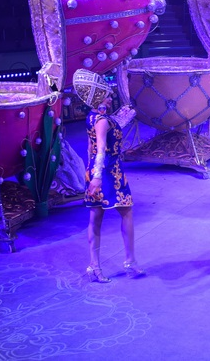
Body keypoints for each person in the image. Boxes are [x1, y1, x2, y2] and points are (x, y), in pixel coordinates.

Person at [73, 69, 145, 283]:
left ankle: (95, 266)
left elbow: (90, 147)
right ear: (99, 98)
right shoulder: (102, 121)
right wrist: (96, 177)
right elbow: (101, 149)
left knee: (96, 217)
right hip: (108, 172)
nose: (111, 98)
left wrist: (90, 173)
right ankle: (129, 261)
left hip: (97, 170)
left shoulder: (93, 117)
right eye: (107, 96)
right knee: (125, 212)